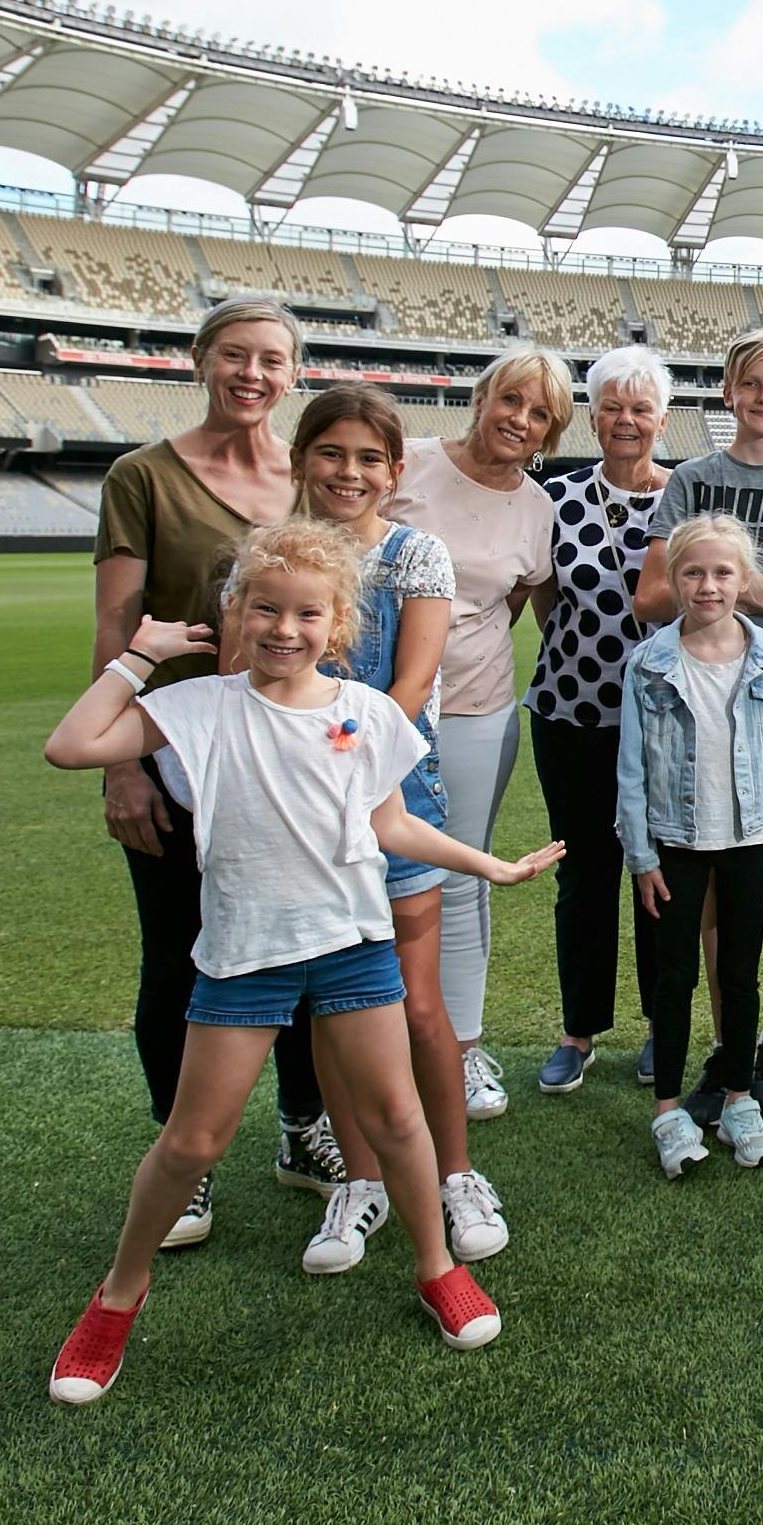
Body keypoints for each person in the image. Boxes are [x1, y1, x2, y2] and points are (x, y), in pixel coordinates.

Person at [41, 520, 562, 1405]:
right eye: (265, 609)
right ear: (234, 613)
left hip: (355, 949)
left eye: (308, 614)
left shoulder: (365, 713)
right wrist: (137, 655)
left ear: (339, 624)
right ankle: (117, 1296)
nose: (285, 629)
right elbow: (72, 744)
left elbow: (390, 825)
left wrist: (489, 863)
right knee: (193, 1140)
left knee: (399, 1123)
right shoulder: (200, 707)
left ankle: (435, 1267)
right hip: (246, 958)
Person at [91, 298, 334, 1243]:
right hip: (179, 745)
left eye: (272, 360)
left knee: (306, 955)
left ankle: (302, 1127)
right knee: (178, 954)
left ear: (290, 373)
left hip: (291, 756)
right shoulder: (142, 476)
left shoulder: (308, 476)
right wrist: (121, 771)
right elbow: (117, 626)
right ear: (200, 360)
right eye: (235, 355)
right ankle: (178, 1158)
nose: (253, 374)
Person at [268, 385, 510, 1277]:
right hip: (301, 813)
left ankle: (456, 1173)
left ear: (395, 472)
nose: (349, 473)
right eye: (331, 454)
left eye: (369, 459)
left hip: (395, 793)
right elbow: (241, 675)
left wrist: (342, 764)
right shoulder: (270, 556)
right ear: (301, 460)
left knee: (416, 1002)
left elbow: (410, 688)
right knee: (334, 1004)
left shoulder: (417, 557)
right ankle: (358, 1180)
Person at [635, 330, 763, 1118]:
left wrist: (716, 582)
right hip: (694, 703)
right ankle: (728, 1040)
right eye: (751, 384)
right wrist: (759, 585)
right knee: (712, 866)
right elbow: (654, 598)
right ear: (728, 392)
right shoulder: (692, 478)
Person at [384, 348, 564, 1121]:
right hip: (364, 703)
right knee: (358, 874)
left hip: (473, 709)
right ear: (483, 396)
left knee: (457, 877)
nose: (519, 420)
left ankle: (461, 1049)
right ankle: (369, 1046)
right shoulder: (408, 464)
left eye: (540, 414)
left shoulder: (538, 510)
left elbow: (514, 607)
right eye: (511, 400)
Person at [619, 514, 763, 1179]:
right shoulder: (649, 662)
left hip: (750, 839)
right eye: (693, 572)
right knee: (675, 978)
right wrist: (640, 854)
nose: (708, 585)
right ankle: (669, 1109)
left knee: (739, 977)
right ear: (673, 580)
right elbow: (632, 767)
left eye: (723, 572)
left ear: (744, 580)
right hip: (674, 842)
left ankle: (738, 1098)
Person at [527, 345, 671, 1095]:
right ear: (591, 414)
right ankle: (578, 1030)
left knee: (657, 872)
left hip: (663, 722)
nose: (626, 420)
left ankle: (660, 1025)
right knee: (585, 872)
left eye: (640, 407)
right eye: (612, 405)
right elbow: (547, 600)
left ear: (663, 418)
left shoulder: (685, 496)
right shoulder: (556, 496)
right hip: (570, 711)